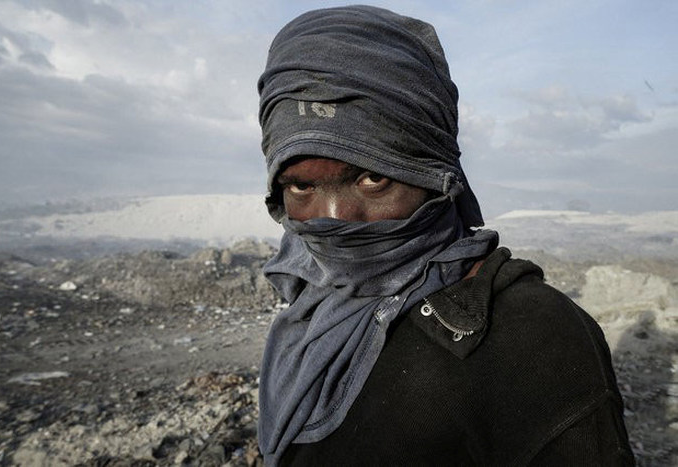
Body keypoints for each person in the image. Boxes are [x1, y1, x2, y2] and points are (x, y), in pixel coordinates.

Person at [256, 5, 634, 466]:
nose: (337, 219)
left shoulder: (535, 338)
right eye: (301, 186)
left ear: (435, 170)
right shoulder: (308, 308)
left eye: (373, 179)